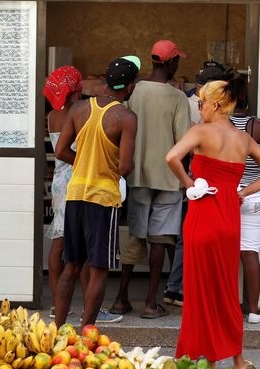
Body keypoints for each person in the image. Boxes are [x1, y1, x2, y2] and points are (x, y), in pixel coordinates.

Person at [166, 80, 260, 369]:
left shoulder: (200, 132)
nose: (200, 108)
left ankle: (194, 356)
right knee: (227, 290)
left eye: (202, 103)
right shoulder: (243, 139)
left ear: (215, 105)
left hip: (202, 216)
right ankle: (237, 360)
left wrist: (189, 184)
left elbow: (171, 158)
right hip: (229, 219)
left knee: (197, 290)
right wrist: (242, 192)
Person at [53, 56, 139, 327]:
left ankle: (57, 330)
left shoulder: (78, 108)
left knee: (71, 266)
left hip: (76, 193)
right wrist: (107, 166)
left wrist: (85, 162)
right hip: (103, 199)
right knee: (99, 268)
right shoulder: (126, 117)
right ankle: (86, 332)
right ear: (131, 87)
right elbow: (125, 166)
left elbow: (60, 151)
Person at [111, 40, 192, 319]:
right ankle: (149, 303)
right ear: (169, 64)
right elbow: (183, 142)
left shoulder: (135, 90)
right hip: (168, 178)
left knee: (135, 235)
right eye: (177, 61)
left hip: (136, 175)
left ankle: (121, 299)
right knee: (161, 240)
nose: (178, 65)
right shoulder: (177, 98)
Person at [44, 66, 122, 324]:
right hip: (79, 177)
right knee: (83, 253)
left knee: (61, 243)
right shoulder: (79, 112)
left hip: (61, 180)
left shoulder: (54, 114)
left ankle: (58, 304)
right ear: (75, 88)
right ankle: (91, 306)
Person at [163, 62, 231, 307]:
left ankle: (176, 289)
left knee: (188, 238)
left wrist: (187, 182)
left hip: (196, 184)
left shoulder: (192, 107)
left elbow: (174, 155)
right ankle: (185, 291)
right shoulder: (217, 122)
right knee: (200, 242)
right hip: (209, 188)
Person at [230, 80, 260, 323]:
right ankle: (254, 310)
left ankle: (225, 309)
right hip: (252, 195)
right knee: (250, 253)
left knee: (225, 255)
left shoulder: (218, 127)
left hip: (226, 195)